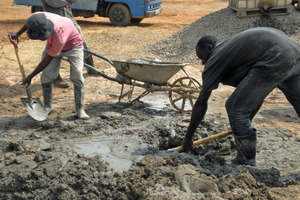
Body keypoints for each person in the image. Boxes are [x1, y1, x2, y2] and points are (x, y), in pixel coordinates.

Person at [182, 27, 300, 166]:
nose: (203, 63)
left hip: (276, 56)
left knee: (234, 107)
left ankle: (245, 160)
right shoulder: (235, 52)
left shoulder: (216, 57)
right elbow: (255, 97)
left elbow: (201, 103)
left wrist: (188, 137)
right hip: (294, 53)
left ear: (209, 48)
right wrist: (244, 125)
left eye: (201, 57)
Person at [10, 12, 90, 120]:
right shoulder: (37, 17)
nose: (42, 39)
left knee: (77, 74)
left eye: (43, 37)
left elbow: (46, 60)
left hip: (73, 46)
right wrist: (18, 33)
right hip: (52, 45)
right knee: (47, 74)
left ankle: (80, 109)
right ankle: (48, 107)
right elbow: (28, 24)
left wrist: (31, 76)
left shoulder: (59, 35)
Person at [41, 0, 97, 88]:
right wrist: (68, 1)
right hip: (55, 23)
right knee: (55, 49)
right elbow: (55, 3)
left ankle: (91, 67)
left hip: (69, 19)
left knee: (82, 43)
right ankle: (55, 77)